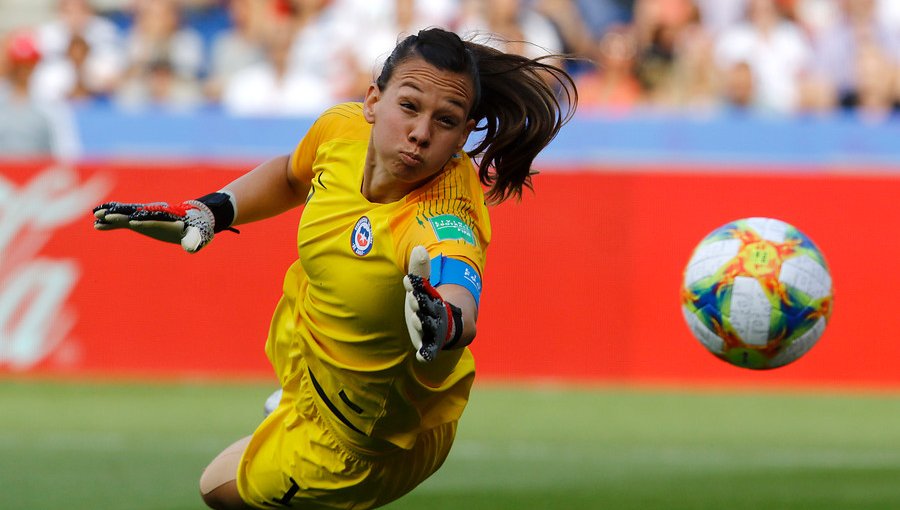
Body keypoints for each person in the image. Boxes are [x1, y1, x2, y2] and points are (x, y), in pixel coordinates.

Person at [92, 27, 576, 509]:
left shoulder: (446, 213)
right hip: (312, 371)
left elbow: (460, 292)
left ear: (462, 135)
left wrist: (445, 320)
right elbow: (289, 174)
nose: (422, 132)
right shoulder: (342, 130)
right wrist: (212, 210)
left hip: (366, 440)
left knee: (219, 488)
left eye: (445, 120)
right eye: (409, 106)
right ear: (372, 101)